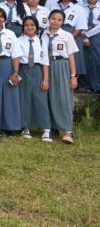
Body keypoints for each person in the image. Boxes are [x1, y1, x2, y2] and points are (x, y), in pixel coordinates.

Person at [41, 9, 79, 144]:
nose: (55, 22)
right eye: (53, 18)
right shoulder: (42, 34)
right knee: (48, 96)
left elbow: (71, 56)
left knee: (63, 97)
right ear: (48, 18)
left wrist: (73, 75)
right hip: (46, 65)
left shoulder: (67, 35)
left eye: (59, 20)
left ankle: (68, 131)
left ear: (63, 22)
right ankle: (52, 127)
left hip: (61, 65)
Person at [0, 7, 24, 137]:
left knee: (10, 95)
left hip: (8, 64)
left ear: (5, 19)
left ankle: (10, 127)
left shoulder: (10, 34)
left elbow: (15, 55)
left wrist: (15, 72)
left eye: (1, 16)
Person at [17, 16, 51, 140]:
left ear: (36, 27)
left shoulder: (42, 42)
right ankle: (25, 127)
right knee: (24, 98)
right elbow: (15, 59)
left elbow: (45, 62)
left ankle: (46, 129)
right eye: (26, 25)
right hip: (23, 70)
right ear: (23, 27)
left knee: (41, 99)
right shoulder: (19, 41)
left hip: (37, 70)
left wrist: (45, 79)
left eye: (32, 25)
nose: (29, 27)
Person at [51, 0, 87, 80]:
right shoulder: (54, 6)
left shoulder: (78, 8)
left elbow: (80, 27)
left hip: (72, 34)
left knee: (73, 57)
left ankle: (74, 79)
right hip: (55, 33)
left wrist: (69, 38)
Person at [81, 0, 100, 92]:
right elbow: (79, 23)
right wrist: (84, 37)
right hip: (82, 34)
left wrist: (88, 35)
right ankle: (86, 84)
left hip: (97, 35)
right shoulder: (81, 8)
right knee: (85, 59)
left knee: (97, 59)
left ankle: (97, 85)